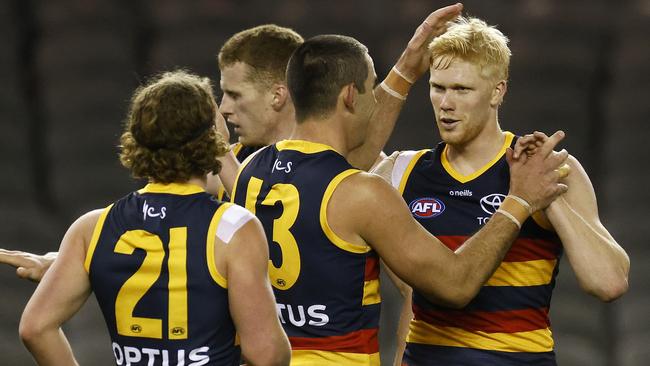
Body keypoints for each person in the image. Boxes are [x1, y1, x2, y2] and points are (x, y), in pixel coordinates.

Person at [229, 21, 570, 363]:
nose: (374, 103)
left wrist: (406, 69)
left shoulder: (249, 172)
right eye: (370, 88)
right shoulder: (364, 193)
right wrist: (520, 200)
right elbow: (455, 285)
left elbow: (330, 167)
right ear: (350, 96)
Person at [377, 17, 630, 366]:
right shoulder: (401, 172)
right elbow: (338, 170)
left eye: (462, 89)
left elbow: (609, 282)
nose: (445, 103)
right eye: (438, 87)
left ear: (498, 91)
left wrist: (542, 195)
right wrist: (406, 68)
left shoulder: (549, 169)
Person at [18, 70, 290, 366]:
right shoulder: (234, 228)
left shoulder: (92, 227)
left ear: (137, 139)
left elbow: (35, 328)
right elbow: (267, 356)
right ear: (211, 138)